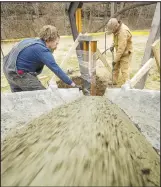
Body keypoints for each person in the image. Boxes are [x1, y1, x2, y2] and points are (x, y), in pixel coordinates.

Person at [3, 25, 81, 92]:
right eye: (56, 43)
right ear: (49, 40)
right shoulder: (42, 50)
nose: (56, 46)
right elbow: (56, 69)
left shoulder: (30, 41)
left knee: (20, 98)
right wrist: (73, 85)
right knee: (42, 95)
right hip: (20, 74)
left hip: (8, 71)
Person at [106, 18, 133, 86]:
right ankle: (114, 81)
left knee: (124, 70)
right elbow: (116, 40)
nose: (112, 31)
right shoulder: (116, 30)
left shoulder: (123, 32)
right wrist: (113, 45)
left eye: (112, 30)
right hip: (120, 52)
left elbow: (121, 48)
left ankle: (128, 85)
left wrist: (115, 60)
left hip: (126, 53)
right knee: (115, 67)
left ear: (116, 26)